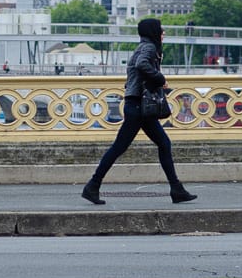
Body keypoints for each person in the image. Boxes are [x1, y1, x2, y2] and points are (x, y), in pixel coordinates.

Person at [82, 18, 197, 205]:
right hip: (138, 107)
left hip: (139, 106)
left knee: (162, 144)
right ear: (153, 32)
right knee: (121, 147)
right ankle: (92, 185)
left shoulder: (142, 46)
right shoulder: (149, 48)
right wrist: (160, 78)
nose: (164, 33)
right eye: (161, 30)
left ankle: (177, 189)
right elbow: (142, 65)